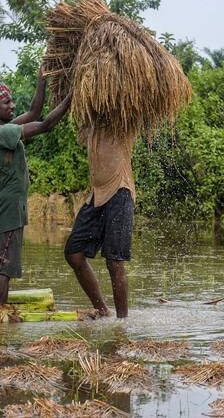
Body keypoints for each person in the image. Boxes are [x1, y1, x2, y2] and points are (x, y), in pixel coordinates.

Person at [0, 75, 72, 308]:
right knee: (5, 263)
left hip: (10, 204)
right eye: (6, 103)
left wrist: (41, 80)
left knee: (1, 260)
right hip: (8, 205)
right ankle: (0, 314)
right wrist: (71, 98)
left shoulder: (5, 128)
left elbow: (33, 113)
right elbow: (44, 125)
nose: (12, 106)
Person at [63, 124, 137, 318]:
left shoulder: (122, 121)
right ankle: (103, 310)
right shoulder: (91, 123)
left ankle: (122, 323)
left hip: (121, 190)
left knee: (114, 261)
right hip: (97, 195)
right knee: (74, 253)